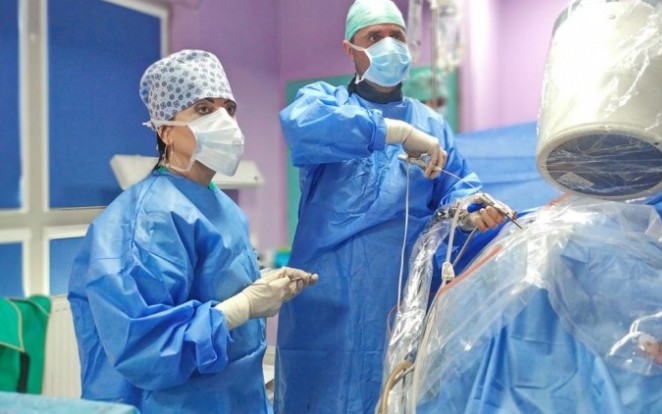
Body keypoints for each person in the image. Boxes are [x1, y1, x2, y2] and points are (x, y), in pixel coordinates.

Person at [275, 1, 509, 413]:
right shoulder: (324, 103)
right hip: (326, 293)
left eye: (396, 36)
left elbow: (457, 190)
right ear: (350, 50)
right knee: (320, 397)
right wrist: (394, 132)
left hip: (400, 296)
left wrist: (470, 212)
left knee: (394, 393)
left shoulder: (432, 125)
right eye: (374, 37)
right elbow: (301, 125)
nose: (388, 45)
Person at [68, 49, 317, 414]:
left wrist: (264, 283)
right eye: (203, 109)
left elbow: (212, 284)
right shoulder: (147, 219)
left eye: (228, 109)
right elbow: (146, 349)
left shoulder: (221, 206)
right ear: (166, 131)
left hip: (233, 397)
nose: (223, 120)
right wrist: (246, 305)